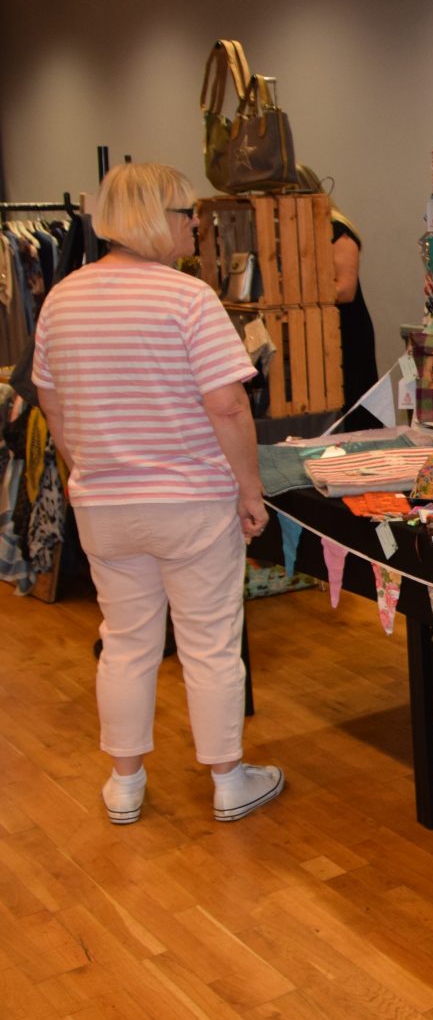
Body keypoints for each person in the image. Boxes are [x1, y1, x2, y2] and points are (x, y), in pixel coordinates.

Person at [33, 162, 285, 824]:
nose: (194, 223)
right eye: (185, 213)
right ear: (153, 218)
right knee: (209, 643)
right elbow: (227, 405)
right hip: (190, 500)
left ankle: (125, 783)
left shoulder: (62, 299)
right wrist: (250, 489)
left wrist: (86, 468)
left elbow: (53, 405)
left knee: (125, 642)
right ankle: (228, 781)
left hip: (104, 505)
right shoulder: (187, 298)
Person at [297, 164, 378, 411]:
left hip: (346, 331)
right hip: (319, 331)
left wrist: (297, 293)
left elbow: (345, 290)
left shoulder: (338, 231)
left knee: (353, 404)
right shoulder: (300, 231)